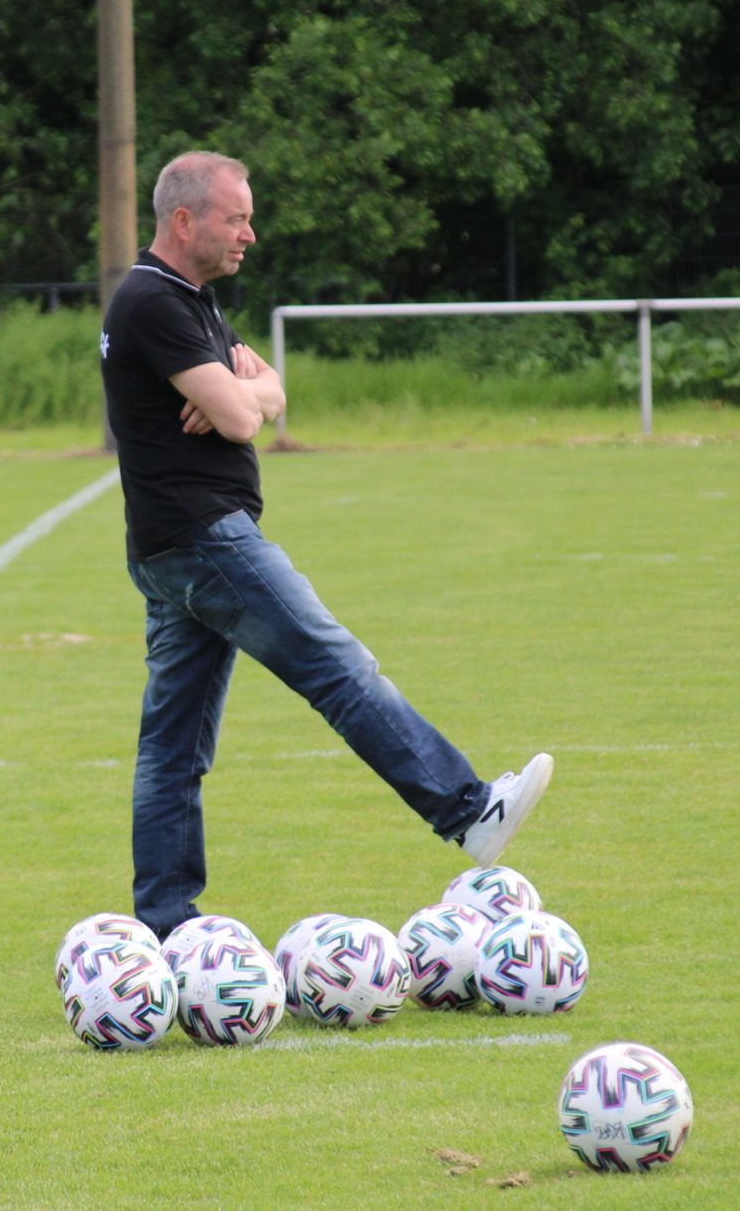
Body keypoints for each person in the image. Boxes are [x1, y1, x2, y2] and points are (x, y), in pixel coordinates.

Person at [98, 150, 554, 940]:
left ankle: (167, 925)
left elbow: (271, 388)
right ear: (184, 220)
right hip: (205, 538)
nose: (250, 233)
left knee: (172, 746)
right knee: (338, 669)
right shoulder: (152, 302)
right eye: (236, 217)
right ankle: (467, 808)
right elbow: (248, 417)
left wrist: (244, 390)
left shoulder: (191, 301)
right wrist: (243, 398)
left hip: (175, 546)